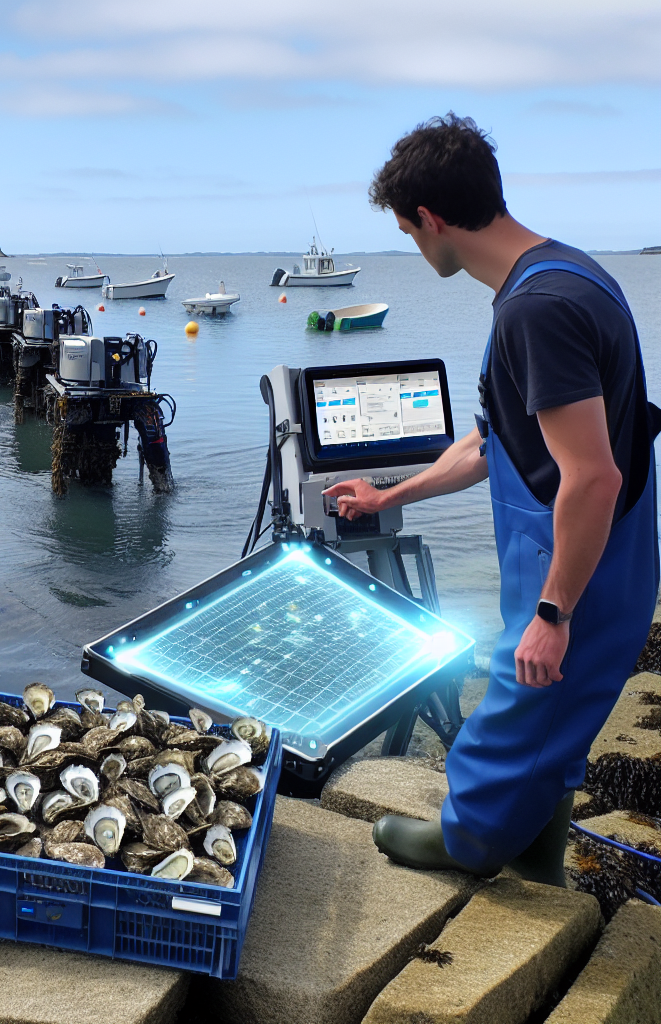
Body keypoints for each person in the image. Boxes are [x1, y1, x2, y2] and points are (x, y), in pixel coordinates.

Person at [324, 113, 659, 886]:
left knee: (517, 703)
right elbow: (492, 445)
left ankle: (468, 841)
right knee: (558, 720)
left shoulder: (534, 313)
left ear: (432, 220)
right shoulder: (565, 273)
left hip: (583, 567)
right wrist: (388, 495)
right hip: (598, 551)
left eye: (409, 231)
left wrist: (553, 615)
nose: (415, 245)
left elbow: (594, 477)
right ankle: (542, 857)